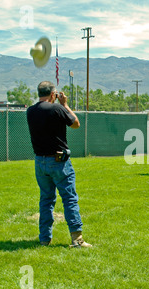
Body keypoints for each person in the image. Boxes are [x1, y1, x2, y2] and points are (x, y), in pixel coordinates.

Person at [26, 81, 92, 248]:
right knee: (70, 199)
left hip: (40, 162)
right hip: (59, 162)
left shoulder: (30, 111)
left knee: (46, 200)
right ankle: (77, 239)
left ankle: (44, 239)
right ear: (53, 94)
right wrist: (65, 105)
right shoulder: (57, 109)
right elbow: (75, 123)